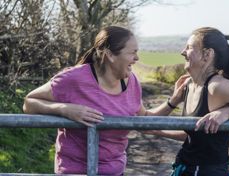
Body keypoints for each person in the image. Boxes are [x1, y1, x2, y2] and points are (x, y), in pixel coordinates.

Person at [23, 26, 188, 175]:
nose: (137, 58)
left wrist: (173, 101)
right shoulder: (74, 78)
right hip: (75, 172)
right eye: (132, 52)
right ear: (110, 55)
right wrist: (65, 109)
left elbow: (143, 120)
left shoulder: (132, 82)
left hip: (115, 172)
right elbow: (29, 102)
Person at [144, 27, 229, 176]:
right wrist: (162, 129)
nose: (182, 52)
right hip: (184, 166)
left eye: (189, 47)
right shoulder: (189, 84)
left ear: (207, 54)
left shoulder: (217, 87)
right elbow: (196, 134)